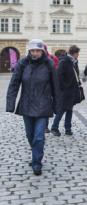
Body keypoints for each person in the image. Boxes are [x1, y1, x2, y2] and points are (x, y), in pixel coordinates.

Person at [6, 39, 59, 176]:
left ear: (42, 51)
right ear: (29, 51)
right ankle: (36, 153)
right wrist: (10, 104)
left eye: (38, 51)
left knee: (39, 136)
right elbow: (14, 84)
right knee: (30, 135)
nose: (35, 53)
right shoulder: (22, 64)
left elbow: (56, 87)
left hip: (43, 105)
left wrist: (57, 106)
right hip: (26, 105)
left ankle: (37, 163)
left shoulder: (49, 64)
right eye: (33, 50)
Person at [51, 45, 83, 136]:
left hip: (72, 90)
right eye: (77, 54)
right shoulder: (64, 61)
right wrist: (65, 86)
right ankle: (54, 127)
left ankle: (68, 129)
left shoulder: (74, 62)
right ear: (74, 53)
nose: (78, 55)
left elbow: (75, 74)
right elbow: (59, 75)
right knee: (62, 109)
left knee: (69, 109)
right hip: (65, 91)